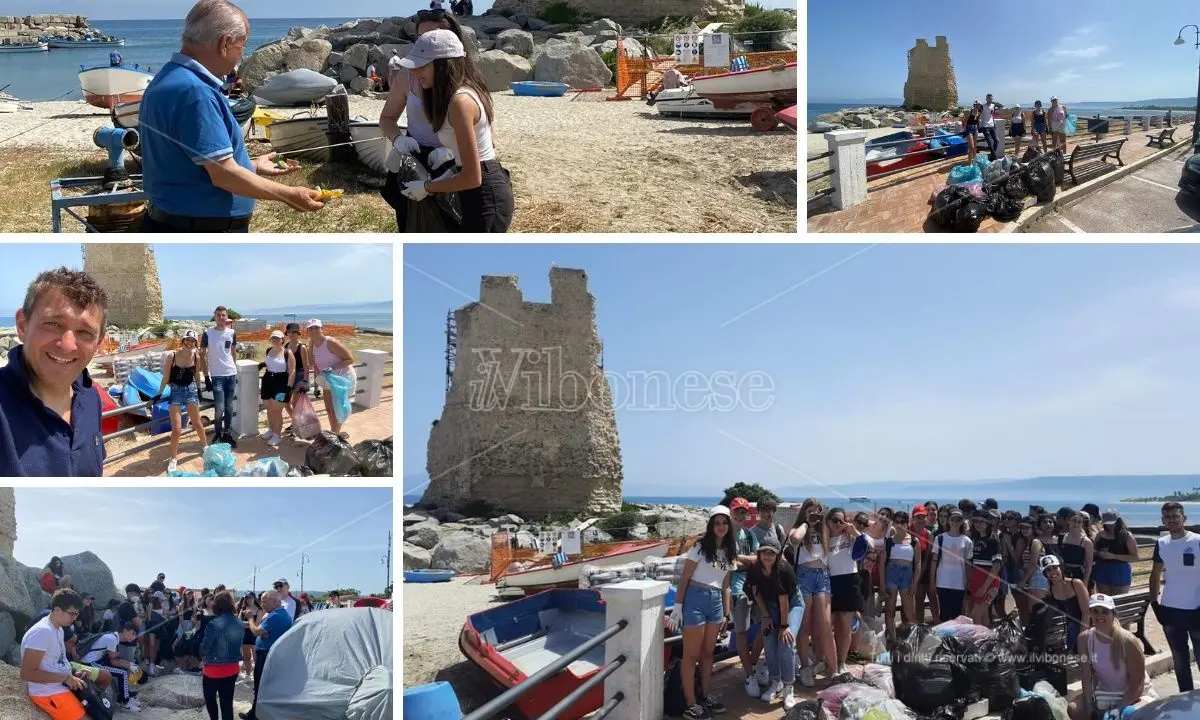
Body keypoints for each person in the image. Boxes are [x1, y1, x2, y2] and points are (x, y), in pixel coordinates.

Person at [139, 0, 323, 233]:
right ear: (225, 43)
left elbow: (190, 163)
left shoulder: (166, 79)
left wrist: (251, 165)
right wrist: (289, 195)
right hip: (200, 228)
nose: (240, 56)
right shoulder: (196, 92)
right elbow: (223, 175)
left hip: (170, 220)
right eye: (242, 47)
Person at [398, 29, 515, 232]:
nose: (414, 72)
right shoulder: (464, 91)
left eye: (421, 65)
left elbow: (473, 176)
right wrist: (449, 172)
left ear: (443, 64)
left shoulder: (460, 101)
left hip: (485, 191)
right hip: (479, 186)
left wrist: (427, 188)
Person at [0, 267, 107, 477]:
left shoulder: (92, 398)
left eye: (84, 332)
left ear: (98, 344)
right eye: (52, 324)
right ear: (23, 326)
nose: (67, 346)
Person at [379, 11, 473, 232]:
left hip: (453, 165)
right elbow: (386, 118)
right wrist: (398, 141)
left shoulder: (466, 84)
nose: (428, 42)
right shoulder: (407, 76)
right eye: (421, 37)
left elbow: (486, 135)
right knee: (411, 222)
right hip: (415, 158)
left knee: (452, 224)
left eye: (435, 35)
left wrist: (453, 153)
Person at [669, 505, 735, 719]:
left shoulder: (729, 551)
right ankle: (691, 703)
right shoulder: (699, 547)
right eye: (717, 522)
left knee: (708, 654)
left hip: (715, 601)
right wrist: (678, 606)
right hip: (695, 599)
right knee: (691, 655)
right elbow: (685, 578)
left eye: (725, 522)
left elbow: (726, 584)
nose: (721, 527)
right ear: (711, 525)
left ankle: (705, 696)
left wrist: (727, 612)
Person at [1067, 594, 1158, 720]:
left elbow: (1137, 686)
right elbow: (1086, 676)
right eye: (1095, 611)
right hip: (1106, 693)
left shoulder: (1128, 641)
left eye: (1105, 611)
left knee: (1125, 716)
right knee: (1074, 709)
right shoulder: (1084, 638)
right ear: (1090, 614)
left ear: (1113, 614)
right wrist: (1090, 707)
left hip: (1136, 696)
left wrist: (1116, 710)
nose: (1099, 616)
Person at [20, 589, 101, 720]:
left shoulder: (58, 628)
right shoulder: (43, 632)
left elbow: (56, 661)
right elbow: (26, 674)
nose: (74, 618)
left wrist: (72, 674)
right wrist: (66, 678)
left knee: (99, 710)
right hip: (48, 692)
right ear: (57, 610)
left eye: (76, 614)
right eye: (72, 614)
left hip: (59, 686)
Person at [785, 498, 837, 687]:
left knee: (824, 624)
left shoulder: (825, 532)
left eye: (818, 512)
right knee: (804, 624)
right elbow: (794, 539)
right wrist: (807, 522)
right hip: (804, 576)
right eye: (811, 511)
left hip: (822, 576)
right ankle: (805, 667)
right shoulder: (800, 529)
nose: (815, 515)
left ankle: (834, 669)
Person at [745, 535, 801, 709]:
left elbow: (784, 601)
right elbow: (756, 592)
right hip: (769, 606)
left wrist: (784, 626)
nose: (767, 556)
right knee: (769, 641)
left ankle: (789, 687)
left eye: (772, 553)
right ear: (759, 553)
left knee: (786, 642)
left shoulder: (784, 570)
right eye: (764, 552)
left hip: (792, 605)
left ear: (778, 555)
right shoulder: (755, 569)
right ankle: (776, 681)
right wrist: (766, 617)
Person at [1149, 501, 1200, 692]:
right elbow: (1154, 574)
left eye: (1175, 516)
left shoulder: (1197, 541)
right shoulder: (1161, 544)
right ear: (1163, 520)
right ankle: (1186, 699)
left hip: (1196, 609)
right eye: (1167, 517)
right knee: (1180, 661)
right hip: (1171, 610)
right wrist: (1154, 602)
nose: (1172, 520)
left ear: (1184, 518)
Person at [721, 498, 761, 698]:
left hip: (754, 587)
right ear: (730, 512)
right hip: (736, 590)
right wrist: (747, 560)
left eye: (744, 512)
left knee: (766, 625)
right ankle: (749, 674)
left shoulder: (750, 534)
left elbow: (757, 558)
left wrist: (740, 560)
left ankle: (752, 665)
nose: (740, 515)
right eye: (737, 511)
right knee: (742, 634)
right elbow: (727, 560)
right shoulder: (725, 535)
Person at [156, 329, 209, 472]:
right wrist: (159, 394)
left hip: (191, 391)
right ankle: (173, 458)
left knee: (197, 423)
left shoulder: (196, 357)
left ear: (195, 343)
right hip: (176, 392)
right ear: (183, 341)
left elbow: (196, 375)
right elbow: (166, 377)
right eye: (187, 340)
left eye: (193, 341)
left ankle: (205, 448)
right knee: (177, 430)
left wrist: (198, 389)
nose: (190, 343)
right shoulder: (172, 356)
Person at [241, 590, 292, 720]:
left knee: (260, 686)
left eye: (264, 601)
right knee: (262, 686)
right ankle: (256, 713)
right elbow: (262, 631)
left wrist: (250, 618)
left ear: (275, 602)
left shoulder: (276, 616)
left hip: (266, 655)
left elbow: (256, 631)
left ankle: (255, 715)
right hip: (267, 653)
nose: (262, 604)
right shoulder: (276, 614)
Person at [825, 506, 864, 675]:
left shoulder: (850, 537)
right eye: (835, 520)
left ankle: (842, 662)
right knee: (828, 625)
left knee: (845, 626)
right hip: (829, 581)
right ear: (828, 522)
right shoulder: (823, 539)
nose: (838, 524)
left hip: (849, 580)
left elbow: (867, 545)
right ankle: (828, 661)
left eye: (841, 520)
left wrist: (853, 530)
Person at [306, 319, 357, 439]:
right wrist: (317, 384)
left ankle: (334, 437)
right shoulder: (312, 345)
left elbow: (350, 359)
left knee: (338, 409)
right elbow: (313, 365)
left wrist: (332, 367)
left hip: (341, 378)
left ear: (321, 328)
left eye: (316, 327)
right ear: (307, 330)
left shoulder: (330, 342)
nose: (314, 330)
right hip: (328, 379)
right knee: (329, 409)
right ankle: (335, 434)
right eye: (311, 328)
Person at [78, 621, 141, 711]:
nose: (134, 637)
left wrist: (130, 665)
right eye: (133, 633)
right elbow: (114, 661)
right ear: (125, 630)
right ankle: (125, 702)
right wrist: (129, 665)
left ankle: (124, 697)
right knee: (122, 673)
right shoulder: (112, 639)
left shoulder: (113, 637)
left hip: (95, 661)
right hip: (90, 663)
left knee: (122, 670)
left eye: (135, 635)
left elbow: (113, 659)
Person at [880, 510, 921, 640]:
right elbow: (882, 563)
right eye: (896, 522)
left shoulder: (914, 541)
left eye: (902, 522)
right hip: (891, 572)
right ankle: (892, 638)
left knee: (909, 611)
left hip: (907, 574)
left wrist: (915, 583)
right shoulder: (889, 541)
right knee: (890, 609)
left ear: (907, 523)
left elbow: (918, 563)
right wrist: (882, 583)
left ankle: (911, 640)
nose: (899, 524)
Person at [201, 592, 243, 720]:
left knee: (210, 700)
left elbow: (204, 649)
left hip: (213, 670)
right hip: (232, 669)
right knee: (227, 704)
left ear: (216, 605)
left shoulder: (214, 624)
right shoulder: (239, 622)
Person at [203, 306, 239, 448]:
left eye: (223, 315)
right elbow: (202, 355)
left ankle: (227, 434)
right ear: (214, 316)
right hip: (217, 376)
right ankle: (218, 433)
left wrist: (235, 369)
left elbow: (233, 353)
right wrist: (206, 377)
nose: (221, 318)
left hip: (231, 374)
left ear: (227, 317)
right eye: (218, 315)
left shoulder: (232, 332)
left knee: (229, 407)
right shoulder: (208, 333)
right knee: (219, 408)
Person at [1038, 555, 1090, 653]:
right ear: (1045, 574)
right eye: (1048, 570)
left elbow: (1087, 613)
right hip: (1069, 629)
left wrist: (1082, 637)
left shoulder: (1076, 584)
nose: (1052, 572)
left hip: (1087, 626)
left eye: (1054, 567)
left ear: (1060, 567)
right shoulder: (1050, 592)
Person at [930, 508, 972, 622]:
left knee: (957, 614)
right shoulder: (940, 538)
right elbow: (934, 561)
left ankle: (954, 639)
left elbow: (968, 563)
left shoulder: (967, 541)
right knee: (944, 612)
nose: (955, 522)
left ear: (962, 522)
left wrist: (969, 581)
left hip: (959, 582)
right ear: (949, 521)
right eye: (953, 519)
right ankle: (944, 639)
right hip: (942, 581)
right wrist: (932, 581)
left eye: (958, 520)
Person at [259, 330, 295, 448]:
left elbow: (292, 371)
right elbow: (269, 363)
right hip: (268, 380)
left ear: (282, 340)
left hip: (281, 383)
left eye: (278, 338)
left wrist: (288, 388)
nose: (275, 339)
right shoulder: (269, 350)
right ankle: (271, 430)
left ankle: (277, 435)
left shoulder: (287, 353)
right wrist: (262, 364)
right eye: (273, 337)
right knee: (269, 408)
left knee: (276, 411)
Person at [966, 511, 1002, 625]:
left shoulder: (993, 540)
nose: (978, 524)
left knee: (975, 614)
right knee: (983, 614)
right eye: (976, 521)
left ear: (988, 523)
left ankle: (980, 640)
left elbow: (996, 567)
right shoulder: (973, 538)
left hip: (989, 582)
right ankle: (986, 640)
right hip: (976, 579)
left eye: (982, 521)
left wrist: (984, 587)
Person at [1093, 510, 1139, 596]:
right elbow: (1093, 551)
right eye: (1107, 523)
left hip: (1120, 573)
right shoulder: (1100, 534)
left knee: (1119, 602)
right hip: (1102, 571)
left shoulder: (1126, 536)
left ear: (1118, 521)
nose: (1110, 526)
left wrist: (1114, 556)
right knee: (1104, 603)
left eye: (1112, 523)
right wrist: (1099, 553)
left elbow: (1135, 557)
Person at [1059, 511, 1094, 586]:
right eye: (1074, 520)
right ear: (1068, 521)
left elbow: (1088, 566)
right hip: (1064, 574)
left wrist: (1085, 583)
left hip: (1079, 575)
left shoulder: (1086, 542)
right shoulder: (1061, 538)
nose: (1076, 524)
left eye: (1079, 522)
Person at [236, 593, 262, 678]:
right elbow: (238, 622)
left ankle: (258, 676)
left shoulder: (259, 610)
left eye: (250, 597)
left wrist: (246, 623)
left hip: (255, 636)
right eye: (246, 598)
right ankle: (247, 675)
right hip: (245, 635)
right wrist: (250, 623)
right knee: (246, 658)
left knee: (256, 659)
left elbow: (257, 625)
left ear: (254, 598)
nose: (248, 599)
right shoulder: (243, 609)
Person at [980, 93, 999, 159]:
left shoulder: (993, 106)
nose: (990, 99)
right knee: (990, 143)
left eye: (991, 98)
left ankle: (991, 155)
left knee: (997, 141)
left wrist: (994, 124)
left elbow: (992, 115)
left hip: (992, 125)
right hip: (985, 126)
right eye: (988, 98)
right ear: (986, 99)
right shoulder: (982, 106)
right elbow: (978, 115)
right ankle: (995, 158)